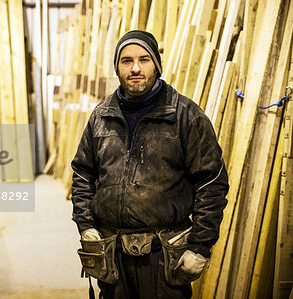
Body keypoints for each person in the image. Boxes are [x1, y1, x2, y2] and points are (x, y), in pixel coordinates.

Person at [71, 30, 229, 299]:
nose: (135, 68)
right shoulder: (102, 116)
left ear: (156, 64)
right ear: (117, 67)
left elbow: (211, 185)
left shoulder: (185, 116)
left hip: (164, 259)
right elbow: (83, 175)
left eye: (144, 59)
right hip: (113, 258)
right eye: (126, 60)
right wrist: (86, 226)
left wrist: (200, 247)